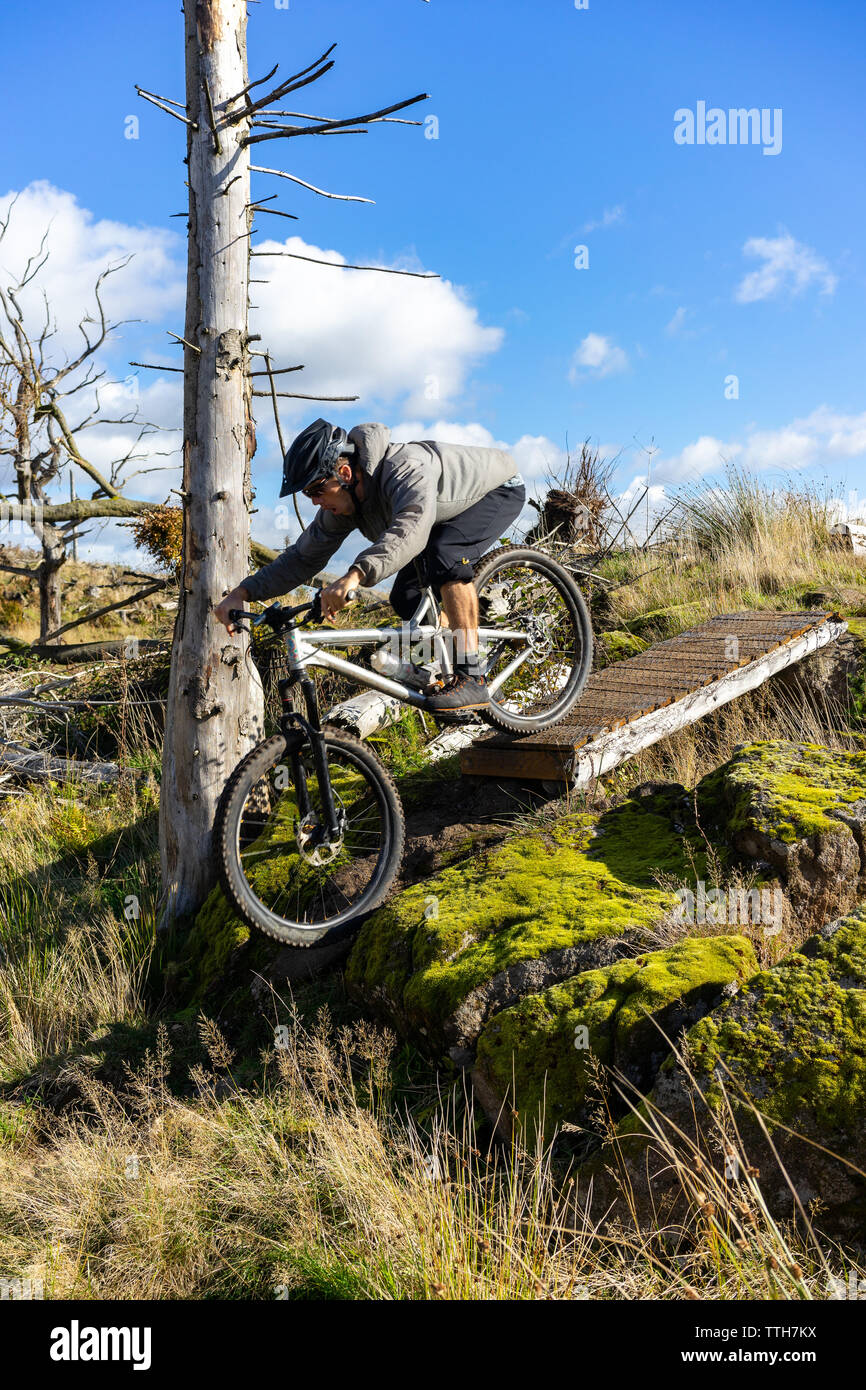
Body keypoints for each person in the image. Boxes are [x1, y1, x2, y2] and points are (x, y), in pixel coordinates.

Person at [215, 418, 526, 710]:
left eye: (316, 489)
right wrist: (244, 592)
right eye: (307, 494)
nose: (313, 501)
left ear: (345, 475)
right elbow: (302, 558)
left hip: (496, 489)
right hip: (437, 515)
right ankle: (472, 666)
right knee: (406, 597)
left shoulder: (404, 467)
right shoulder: (342, 506)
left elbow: (412, 527)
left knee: (445, 556)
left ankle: (472, 676)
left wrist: (356, 575)